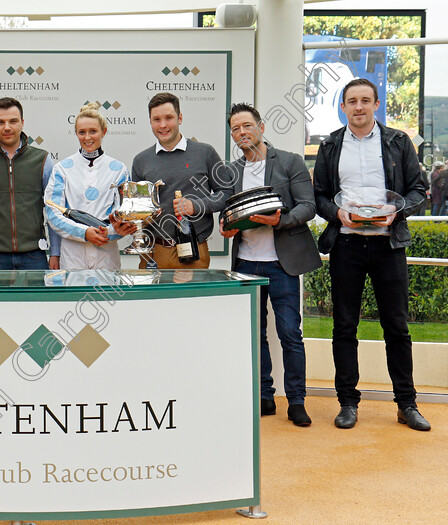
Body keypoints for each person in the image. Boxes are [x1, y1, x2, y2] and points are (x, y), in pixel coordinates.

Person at [313, 78, 430, 431]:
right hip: (346, 245)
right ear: (344, 107)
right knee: (344, 327)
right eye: (352, 101)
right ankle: (348, 403)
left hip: (387, 244)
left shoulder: (397, 141)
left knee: (397, 327)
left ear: (376, 104)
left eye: (366, 100)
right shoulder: (331, 145)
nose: (359, 107)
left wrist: (399, 211)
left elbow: (418, 189)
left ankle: (406, 404)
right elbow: (319, 195)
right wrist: (337, 214)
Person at [220, 103, 321, 427]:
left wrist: (280, 221)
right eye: (235, 129)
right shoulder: (232, 170)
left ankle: (296, 401)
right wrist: (227, 226)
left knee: (290, 333)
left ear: (261, 127)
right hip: (246, 263)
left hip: (282, 264)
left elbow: (309, 206)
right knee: (255, 334)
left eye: (247, 126)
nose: (241, 133)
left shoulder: (289, 161)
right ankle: (264, 395)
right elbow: (227, 212)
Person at [131, 92, 229, 269]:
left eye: (169, 118)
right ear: (150, 122)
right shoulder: (141, 160)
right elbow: (137, 209)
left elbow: (226, 194)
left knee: (191, 298)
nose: (163, 125)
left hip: (194, 252)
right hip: (153, 253)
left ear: (180, 118)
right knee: (153, 298)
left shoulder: (205, 153)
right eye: (156, 119)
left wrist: (196, 206)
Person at [0, 97, 61, 270]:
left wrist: (55, 252)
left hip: (34, 255)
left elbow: (53, 209)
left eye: (13, 121)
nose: (7, 127)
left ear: (22, 122)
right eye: (0, 122)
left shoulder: (43, 160)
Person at [44, 102, 137, 270]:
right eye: (82, 132)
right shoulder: (62, 169)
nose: (87, 138)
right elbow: (53, 213)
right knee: (75, 296)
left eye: (93, 131)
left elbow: (124, 215)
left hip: (106, 252)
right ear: (76, 134)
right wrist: (84, 233)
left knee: (108, 297)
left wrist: (107, 233)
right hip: (73, 254)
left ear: (104, 132)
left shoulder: (119, 169)